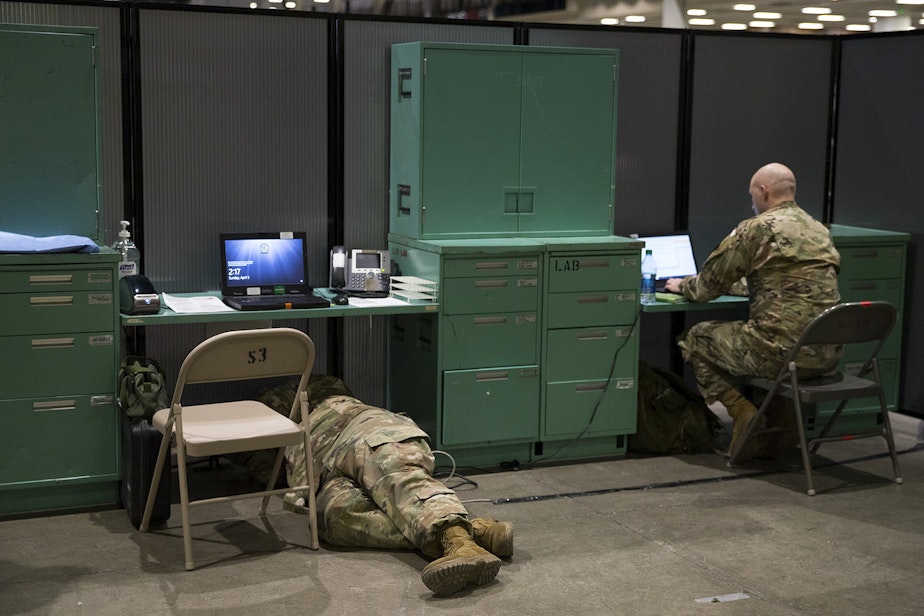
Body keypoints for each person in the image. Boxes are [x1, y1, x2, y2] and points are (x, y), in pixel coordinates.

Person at [252, 375, 514, 596]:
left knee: (400, 477)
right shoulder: (283, 426)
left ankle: (458, 541)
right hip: (328, 470)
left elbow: (259, 461)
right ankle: (476, 533)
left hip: (363, 429)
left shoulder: (322, 400)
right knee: (332, 516)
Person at [663, 162, 842, 459]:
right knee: (770, 338)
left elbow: (708, 286)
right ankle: (783, 428)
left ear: (763, 192)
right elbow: (776, 282)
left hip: (781, 354)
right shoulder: (818, 229)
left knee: (695, 338)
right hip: (825, 353)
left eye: (752, 196)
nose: (752, 203)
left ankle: (742, 412)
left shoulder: (756, 228)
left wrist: (682, 285)